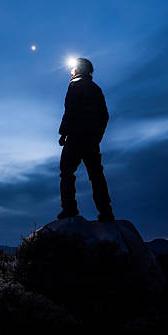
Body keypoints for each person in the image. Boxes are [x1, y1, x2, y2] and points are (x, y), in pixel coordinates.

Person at [57, 58, 115, 222]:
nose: (70, 71)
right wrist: (97, 136)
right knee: (96, 174)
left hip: (76, 137)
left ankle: (69, 209)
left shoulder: (75, 84)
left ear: (79, 69)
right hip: (91, 140)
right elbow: (105, 115)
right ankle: (106, 211)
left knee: (66, 172)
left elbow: (70, 111)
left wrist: (63, 133)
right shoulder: (96, 88)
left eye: (73, 68)